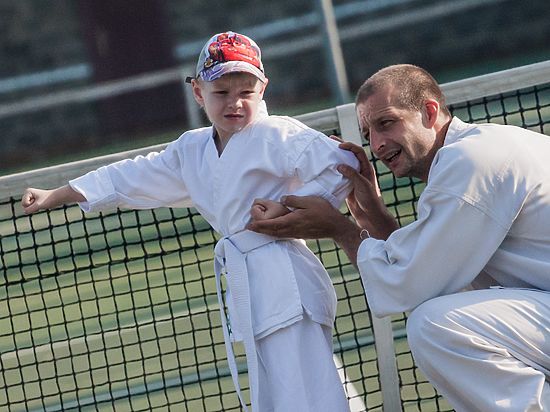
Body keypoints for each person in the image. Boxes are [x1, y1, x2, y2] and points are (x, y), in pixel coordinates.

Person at [21, 31, 358, 412]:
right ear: (198, 92)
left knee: (311, 394)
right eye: (221, 93)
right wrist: (57, 194)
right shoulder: (191, 150)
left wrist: (289, 210)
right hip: (250, 285)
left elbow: (344, 165)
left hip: (289, 282)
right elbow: (130, 176)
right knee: (282, 396)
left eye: (245, 92)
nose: (234, 103)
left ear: (262, 89)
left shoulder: (276, 133)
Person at [248, 64, 550, 411]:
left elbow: (410, 283)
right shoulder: (479, 150)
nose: (376, 144)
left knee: (436, 326)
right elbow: (433, 273)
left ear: (429, 111)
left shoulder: (471, 161)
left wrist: (337, 228)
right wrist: (371, 214)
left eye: (386, 123)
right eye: (367, 133)